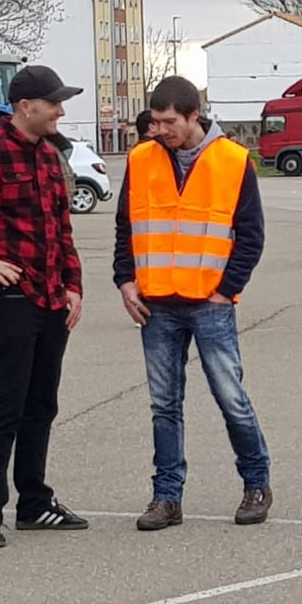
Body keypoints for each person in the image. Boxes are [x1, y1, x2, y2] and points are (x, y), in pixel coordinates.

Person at [116, 75, 272, 531]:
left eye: (169, 122)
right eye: (156, 121)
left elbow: (251, 235)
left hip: (210, 302)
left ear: (193, 116)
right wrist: (125, 280)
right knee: (164, 404)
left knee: (231, 398)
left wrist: (227, 289)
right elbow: (126, 226)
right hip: (156, 302)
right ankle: (167, 498)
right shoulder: (141, 159)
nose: (160, 130)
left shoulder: (233, 160)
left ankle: (256, 484)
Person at [0, 66, 88, 549]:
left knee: (42, 403)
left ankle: (35, 503)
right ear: (25, 106)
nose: (61, 110)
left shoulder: (49, 156)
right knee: (9, 405)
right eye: (54, 102)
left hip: (51, 297)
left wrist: (74, 285)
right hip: (9, 298)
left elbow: (62, 227)